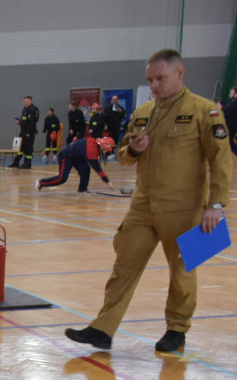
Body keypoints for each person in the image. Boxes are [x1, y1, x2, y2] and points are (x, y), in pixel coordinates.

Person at [65, 49, 231, 353]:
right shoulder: (143, 113)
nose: (154, 85)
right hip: (143, 206)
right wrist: (136, 150)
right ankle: (103, 329)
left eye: (160, 78)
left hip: (186, 207)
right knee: (124, 264)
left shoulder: (204, 111)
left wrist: (216, 205)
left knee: (183, 271)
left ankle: (177, 329)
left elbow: (220, 160)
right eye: (150, 80)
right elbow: (124, 157)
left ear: (180, 74)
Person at [36, 136, 116, 194]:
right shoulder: (92, 150)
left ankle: (82, 190)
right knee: (62, 178)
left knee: (86, 169)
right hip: (66, 156)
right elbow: (97, 169)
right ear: (103, 147)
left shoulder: (94, 143)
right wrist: (107, 182)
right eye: (106, 150)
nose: (106, 152)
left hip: (77, 156)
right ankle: (41, 183)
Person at [8, 95, 40, 168]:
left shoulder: (33, 109)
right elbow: (24, 121)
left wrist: (29, 132)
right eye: (23, 101)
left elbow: (32, 122)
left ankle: (27, 164)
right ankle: (16, 162)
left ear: (29, 100)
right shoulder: (24, 110)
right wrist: (19, 121)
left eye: (24, 101)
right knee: (20, 148)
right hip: (22, 131)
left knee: (28, 148)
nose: (23, 103)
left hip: (29, 132)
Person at [222, 87, 237, 157]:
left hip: (230, 127)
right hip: (231, 127)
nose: (229, 95)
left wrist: (221, 108)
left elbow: (227, 112)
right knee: (229, 143)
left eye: (231, 93)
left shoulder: (234, 103)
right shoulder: (232, 102)